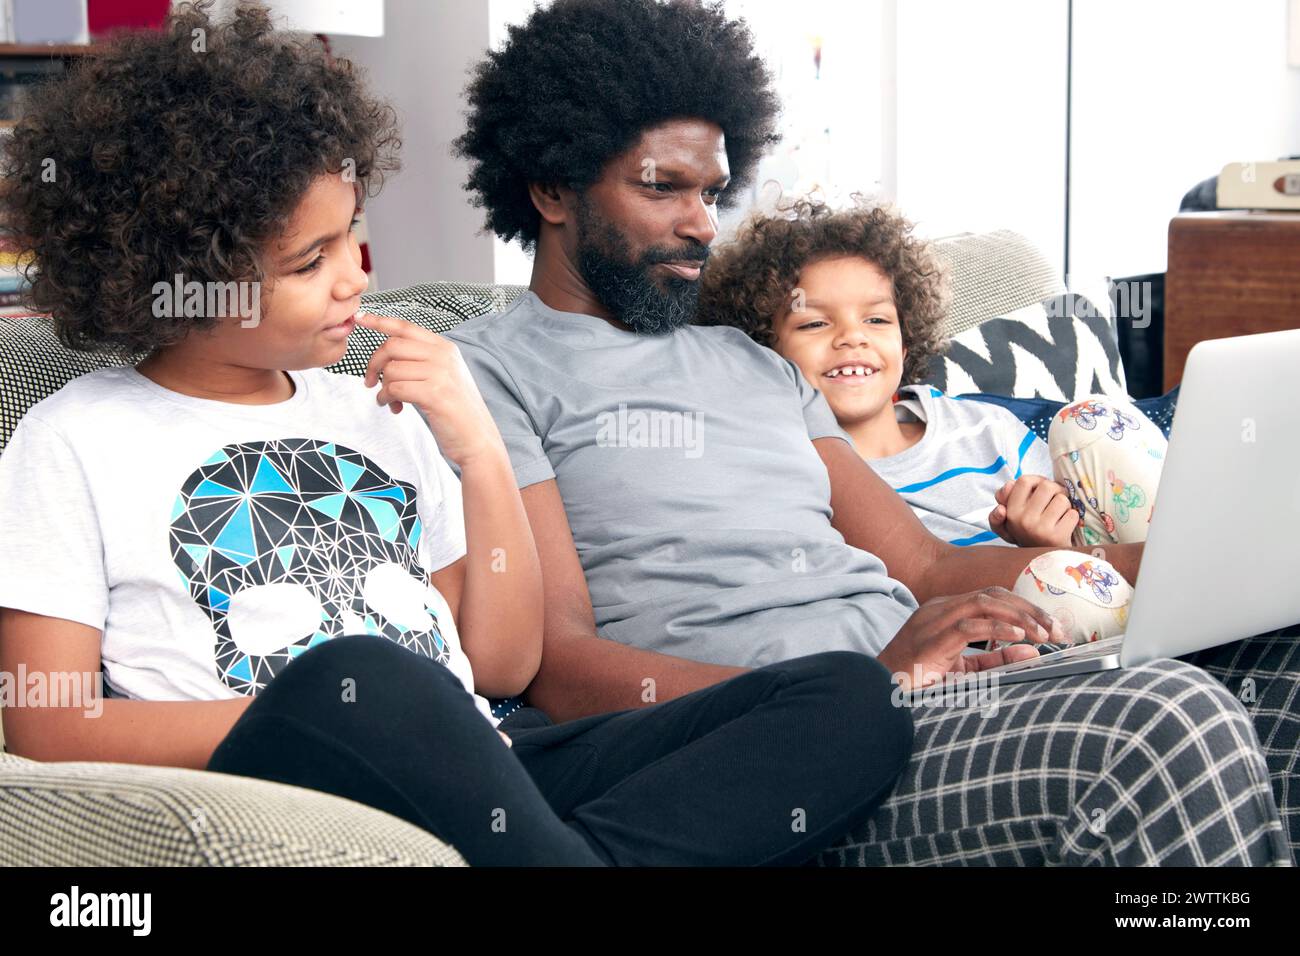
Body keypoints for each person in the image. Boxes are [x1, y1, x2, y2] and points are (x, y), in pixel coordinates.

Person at [0, 0, 916, 867]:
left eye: (351, 238)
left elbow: (504, 664)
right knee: (361, 679)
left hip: (495, 764)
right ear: (182, 275)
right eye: (310, 262)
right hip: (303, 768)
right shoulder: (75, 438)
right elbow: (46, 724)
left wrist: (477, 449)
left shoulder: (379, 406)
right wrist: (338, 711)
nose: (356, 278)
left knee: (846, 695)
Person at [445, 0, 1295, 864]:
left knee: (1281, 673)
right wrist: (871, 682)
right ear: (550, 186)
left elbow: (927, 567)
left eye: (711, 191)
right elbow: (559, 664)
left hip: (942, 688)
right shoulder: (485, 375)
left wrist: (1189, 567)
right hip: (800, 752)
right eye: (663, 187)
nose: (702, 223)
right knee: (1166, 727)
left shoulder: (755, 363)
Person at [696, 197, 1172, 645]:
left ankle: (1186, 562)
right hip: (1009, 631)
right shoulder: (803, 472)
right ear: (766, 352)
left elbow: (1081, 531)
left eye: (877, 321)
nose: (851, 338)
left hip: (1100, 567)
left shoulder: (982, 424)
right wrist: (1046, 561)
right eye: (815, 323)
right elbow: (925, 581)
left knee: (1090, 418)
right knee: (1054, 581)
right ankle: (1182, 586)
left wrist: (1049, 538)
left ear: (906, 344)